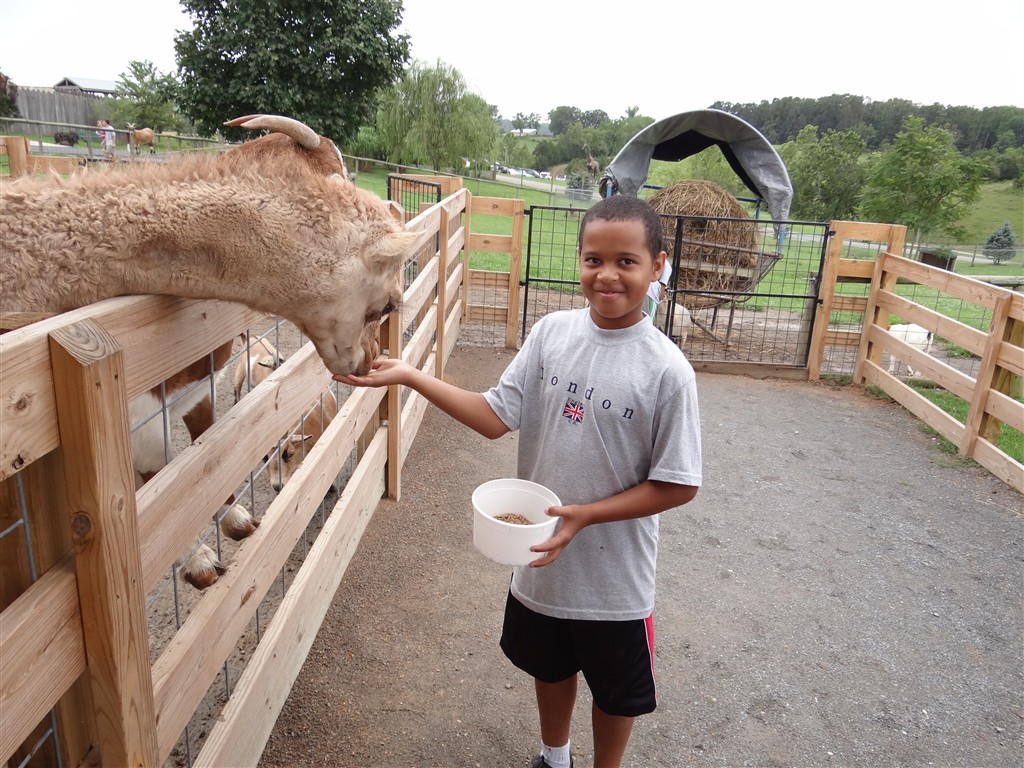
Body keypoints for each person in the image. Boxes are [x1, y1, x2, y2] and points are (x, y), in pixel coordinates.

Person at [335, 194, 702, 768]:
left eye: (626, 261)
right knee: (549, 666)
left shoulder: (667, 371)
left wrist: (587, 515)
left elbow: (679, 483)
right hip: (540, 559)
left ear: (657, 266)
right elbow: (493, 417)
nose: (606, 275)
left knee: (615, 692)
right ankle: (555, 757)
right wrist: (409, 376)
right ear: (579, 261)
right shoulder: (552, 334)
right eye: (593, 259)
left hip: (614, 580)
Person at [644, 255, 673, 324]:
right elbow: (662, 288)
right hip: (652, 295)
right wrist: (659, 298)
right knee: (649, 321)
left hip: (646, 292)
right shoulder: (666, 265)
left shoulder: (648, 258)